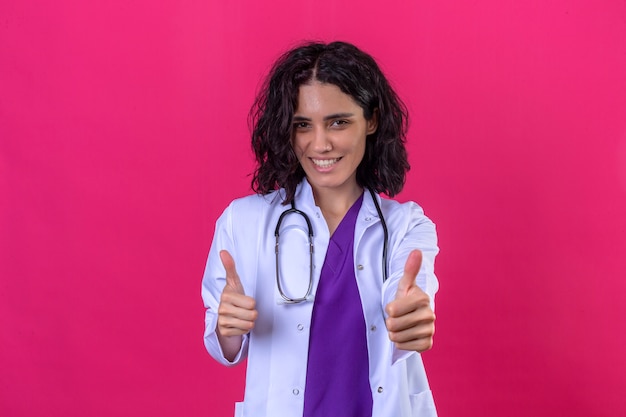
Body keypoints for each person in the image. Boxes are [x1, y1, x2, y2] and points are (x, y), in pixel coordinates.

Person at [201, 41, 439, 417]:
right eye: (302, 126)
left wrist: (411, 318)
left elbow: (409, 297)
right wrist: (227, 327)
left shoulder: (406, 225)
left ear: (371, 120)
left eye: (338, 122)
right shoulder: (243, 222)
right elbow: (225, 349)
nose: (320, 144)